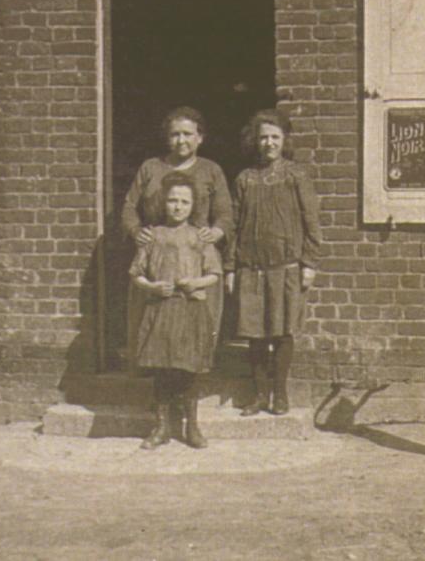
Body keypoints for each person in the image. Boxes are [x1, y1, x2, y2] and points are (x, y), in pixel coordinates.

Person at [225, 108, 322, 416]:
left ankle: (280, 393)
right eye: (263, 137)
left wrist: (309, 262)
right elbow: (234, 226)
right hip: (251, 268)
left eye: (275, 137)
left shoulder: (296, 175)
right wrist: (230, 267)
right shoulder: (245, 179)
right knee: (254, 333)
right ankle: (259, 394)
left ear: (285, 140)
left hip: (286, 267)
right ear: (255, 141)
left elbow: (311, 221)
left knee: (281, 332)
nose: (269, 143)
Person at [130, 172, 223, 449]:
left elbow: (214, 273)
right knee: (162, 369)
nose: (177, 206)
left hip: (190, 309)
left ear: (193, 205)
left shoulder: (199, 238)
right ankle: (161, 428)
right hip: (161, 309)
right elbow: (136, 274)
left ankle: (191, 427)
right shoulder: (153, 236)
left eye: (184, 201)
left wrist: (195, 282)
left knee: (189, 369)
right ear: (164, 203)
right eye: (172, 201)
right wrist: (153, 287)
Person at [121, 107, 233, 337]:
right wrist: (135, 230)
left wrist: (216, 232)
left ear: (200, 138)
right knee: (153, 329)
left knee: (197, 330)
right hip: (157, 258)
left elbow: (225, 214)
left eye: (187, 134)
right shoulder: (150, 167)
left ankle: (196, 373)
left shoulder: (211, 170)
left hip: (196, 258)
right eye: (175, 134)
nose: (181, 140)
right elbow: (129, 207)